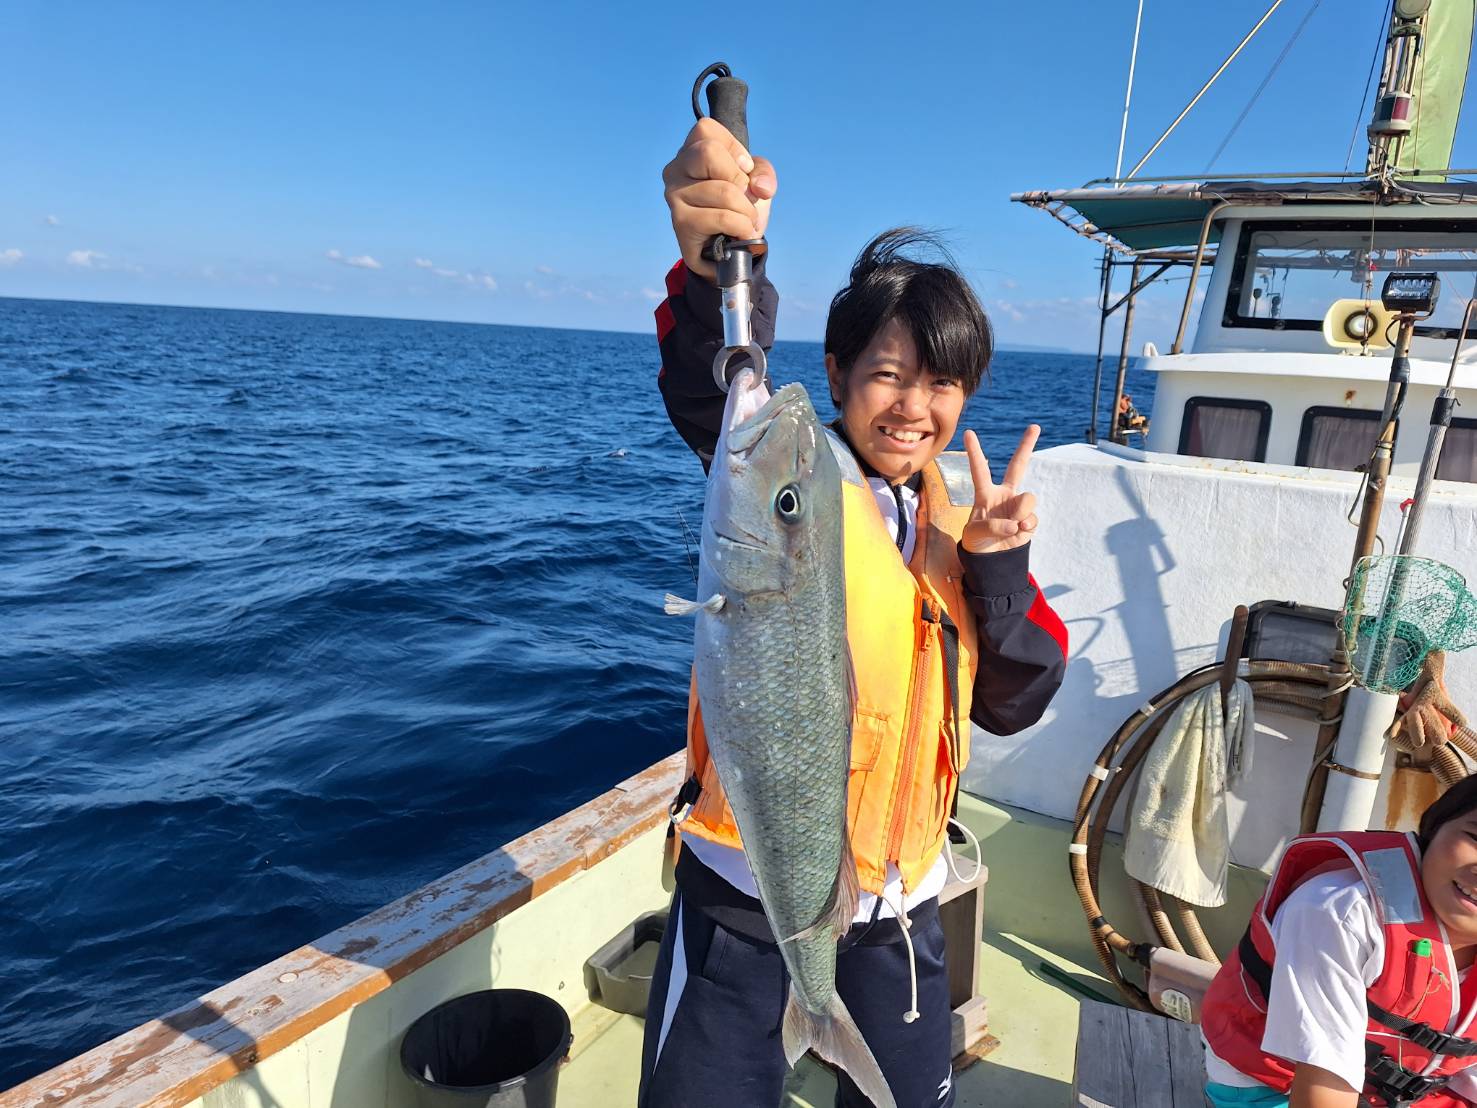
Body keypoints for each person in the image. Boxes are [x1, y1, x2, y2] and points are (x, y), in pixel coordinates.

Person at [636, 118, 1067, 1108]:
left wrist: (1000, 574)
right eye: (886, 372)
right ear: (835, 375)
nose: (914, 405)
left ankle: (825, 1017)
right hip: (746, 902)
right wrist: (717, 266)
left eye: (942, 380)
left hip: (897, 910)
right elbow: (714, 388)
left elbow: (1012, 703)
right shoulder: (791, 477)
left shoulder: (962, 521)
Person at [1202, 775, 1477, 1108]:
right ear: (1435, 825)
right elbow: (1322, 1095)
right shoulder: (1338, 911)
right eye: (1475, 837)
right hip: (1278, 1084)